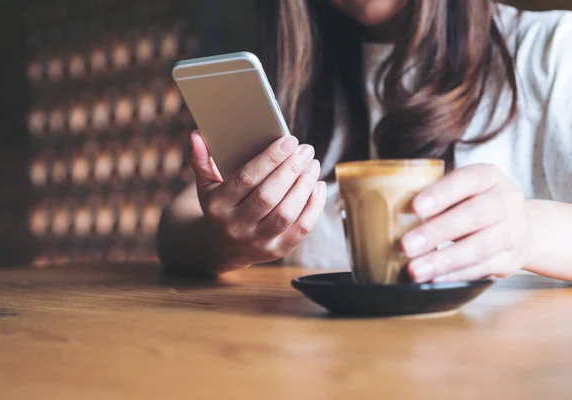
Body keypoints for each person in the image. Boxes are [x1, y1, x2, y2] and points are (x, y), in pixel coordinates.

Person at [157, 0, 572, 283]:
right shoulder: (303, 79)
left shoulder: (552, 50)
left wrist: (532, 231)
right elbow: (177, 223)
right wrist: (223, 243)